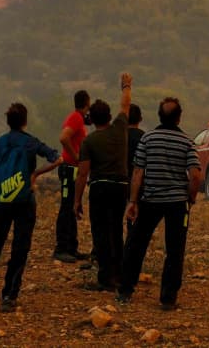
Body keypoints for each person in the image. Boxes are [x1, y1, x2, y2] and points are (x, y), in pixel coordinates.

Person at [0, 103, 63, 311]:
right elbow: (58, 158)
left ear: (8, 122)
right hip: (25, 201)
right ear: (25, 121)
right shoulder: (31, 142)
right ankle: (9, 296)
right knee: (20, 248)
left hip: (2, 202)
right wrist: (35, 175)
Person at [117, 96, 202, 310]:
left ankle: (126, 290)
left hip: (150, 200)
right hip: (177, 203)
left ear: (159, 116)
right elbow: (195, 175)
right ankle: (168, 297)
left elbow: (138, 172)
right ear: (179, 118)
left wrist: (133, 201)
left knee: (136, 244)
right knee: (174, 250)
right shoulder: (187, 142)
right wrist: (190, 197)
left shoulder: (148, 139)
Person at [74, 73, 132, 291]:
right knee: (116, 229)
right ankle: (118, 274)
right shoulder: (119, 129)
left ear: (91, 120)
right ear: (109, 116)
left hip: (99, 187)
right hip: (120, 187)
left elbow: (82, 174)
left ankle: (105, 277)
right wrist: (126, 85)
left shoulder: (89, 141)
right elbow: (126, 105)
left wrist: (77, 200)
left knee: (100, 231)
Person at [54, 90, 91, 263]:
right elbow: (63, 138)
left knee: (72, 207)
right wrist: (75, 158)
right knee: (66, 207)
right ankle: (61, 248)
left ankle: (71, 248)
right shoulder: (76, 118)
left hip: (72, 169)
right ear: (87, 104)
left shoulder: (78, 119)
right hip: (69, 168)